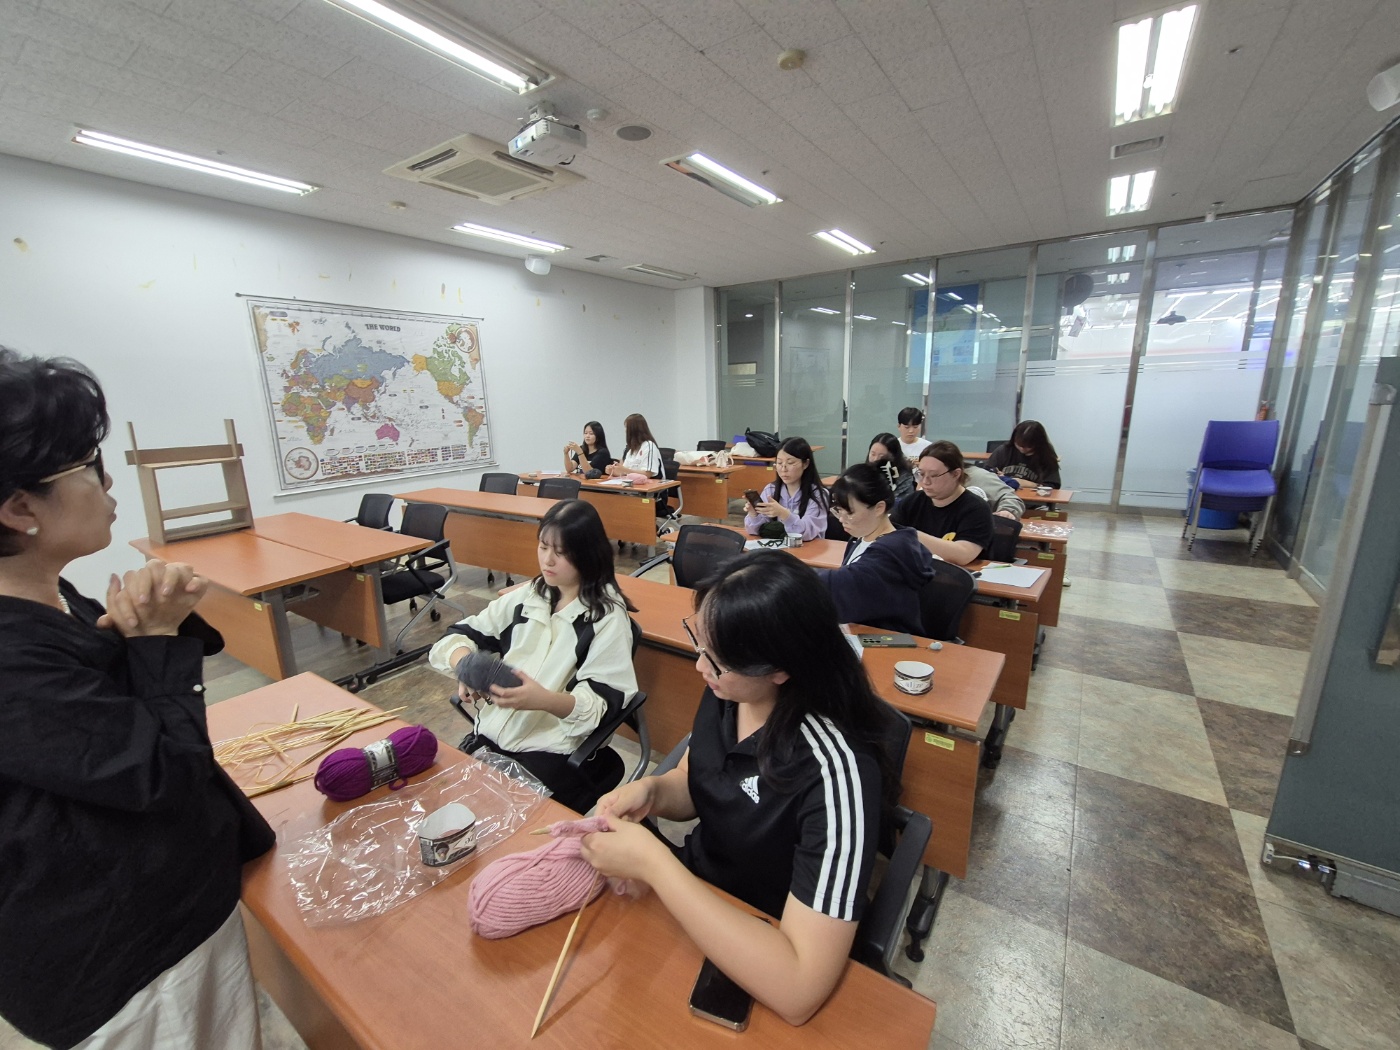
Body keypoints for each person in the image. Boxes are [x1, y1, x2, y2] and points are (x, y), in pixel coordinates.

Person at [0, 348, 275, 1049]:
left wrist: (154, 625)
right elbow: (161, 772)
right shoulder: (9, 656)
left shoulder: (51, 595)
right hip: (127, 965)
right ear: (20, 507)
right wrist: (152, 638)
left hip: (175, 913)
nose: (109, 480)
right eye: (90, 466)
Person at [579, 552, 898, 1026]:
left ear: (780, 669)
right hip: (697, 893)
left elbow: (800, 987)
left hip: (766, 934)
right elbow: (696, 780)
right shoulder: (729, 691)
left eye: (718, 659)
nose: (700, 667)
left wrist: (655, 864)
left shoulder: (837, 771)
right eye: (701, 643)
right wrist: (653, 791)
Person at [429, 498, 640, 813]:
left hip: (552, 747)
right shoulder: (530, 596)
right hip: (494, 733)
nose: (547, 560)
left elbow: (600, 707)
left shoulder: (606, 619)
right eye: (543, 547)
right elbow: (457, 636)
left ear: (588, 553)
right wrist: (466, 665)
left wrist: (543, 700)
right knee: (449, 804)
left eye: (561, 552)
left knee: (497, 820)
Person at [818, 464, 934, 635]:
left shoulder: (892, 551)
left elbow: (846, 583)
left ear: (879, 508)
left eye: (850, 513)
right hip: (863, 630)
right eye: (838, 511)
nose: (841, 519)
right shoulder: (860, 539)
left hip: (889, 639)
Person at [890, 441, 994, 565]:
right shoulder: (912, 502)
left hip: (956, 574)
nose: (925, 481)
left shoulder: (976, 509)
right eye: (921, 474)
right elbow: (888, 534)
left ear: (956, 474)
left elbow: (964, 555)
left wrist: (909, 535)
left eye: (934, 475)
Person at [742, 436, 829, 541]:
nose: (783, 469)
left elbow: (807, 534)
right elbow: (755, 531)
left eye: (790, 463)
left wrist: (784, 514)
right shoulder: (771, 490)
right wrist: (754, 514)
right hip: (778, 548)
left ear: (805, 464)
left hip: (810, 549)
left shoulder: (817, 494)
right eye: (779, 463)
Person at [986, 419, 1062, 490]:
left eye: (1028, 446)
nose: (1022, 449)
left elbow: (1052, 486)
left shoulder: (1046, 456)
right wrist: (998, 477)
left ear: (1038, 443)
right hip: (1005, 494)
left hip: (1033, 498)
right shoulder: (1004, 450)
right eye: (1018, 445)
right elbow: (986, 473)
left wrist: (1032, 485)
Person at [604, 413, 663, 478]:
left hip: (651, 483)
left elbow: (647, 474)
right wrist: (613, 470)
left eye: (626, 428)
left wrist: (623, 470)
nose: (625, 431)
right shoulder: (630, 450)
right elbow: (625, 473)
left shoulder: (648, 446)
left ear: (633, 430)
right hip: (632, 483)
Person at [866, 432, 917, 501]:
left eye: (882, 456)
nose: (875, 459)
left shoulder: (904, 479)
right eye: (873, 454)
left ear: (893, 457)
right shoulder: (863, 473)